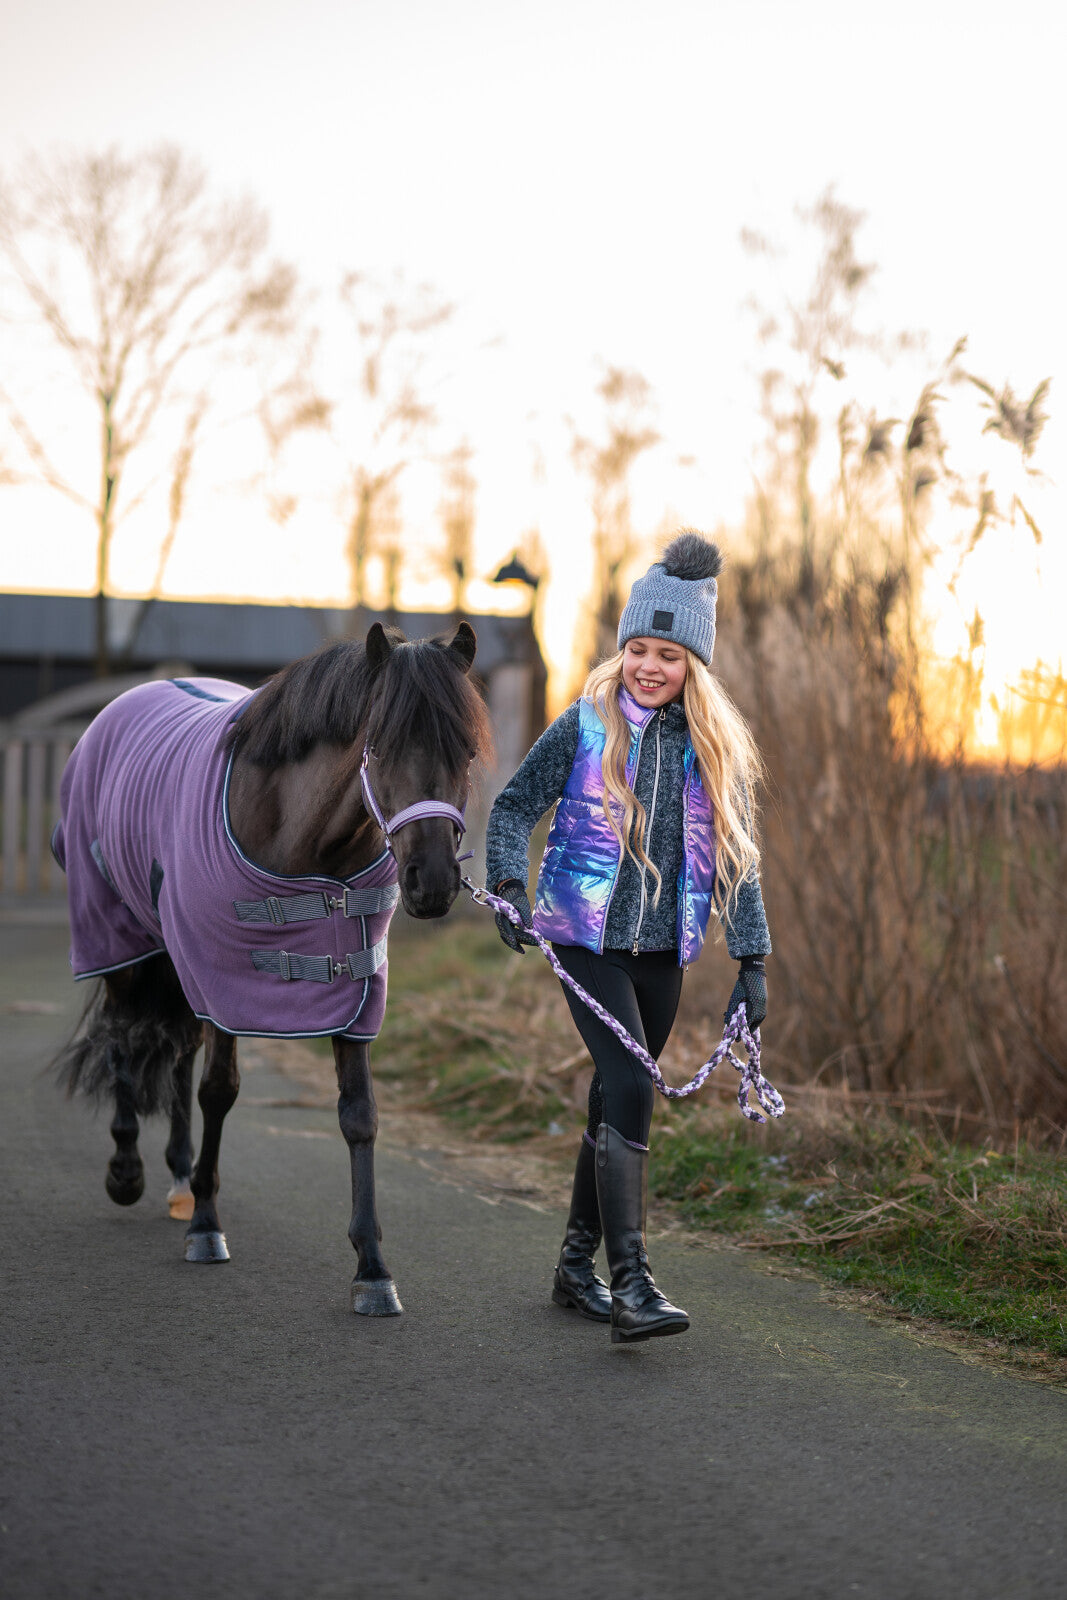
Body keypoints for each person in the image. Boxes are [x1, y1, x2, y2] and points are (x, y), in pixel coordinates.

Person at [485, 531, 771, 1344]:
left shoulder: (712, 749)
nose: (649, 666)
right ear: (622, 650)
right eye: (638, 649)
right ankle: (632, 1284)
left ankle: (575, 1270)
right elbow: (512, 808)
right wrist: (507, 884)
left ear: (693, 665)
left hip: (660, 956)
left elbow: (738, 862)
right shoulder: (584, 725)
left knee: (613, 1095)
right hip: (584, 940)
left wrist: (751, 961)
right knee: (634, 1087)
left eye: (668, 655)